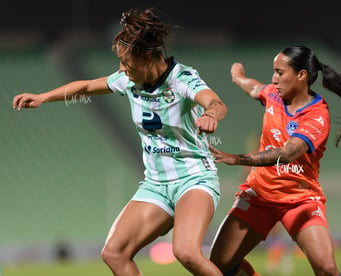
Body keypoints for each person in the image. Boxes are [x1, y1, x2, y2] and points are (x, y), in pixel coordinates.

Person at [13, 8, 227, 276]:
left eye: (126, 63)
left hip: (194, 179)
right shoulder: (129, 81)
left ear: (148, 56)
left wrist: (210, 114)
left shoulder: (181, 78)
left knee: (186, 253)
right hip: (156, 185)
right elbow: (87, 87)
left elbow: (216, 102)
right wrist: (43, 97)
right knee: (114, 253)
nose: (122, 70)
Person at [209, 45, 341, 276]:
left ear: (301, 75)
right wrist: (238, 77)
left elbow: (286, 153)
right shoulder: (272, 95)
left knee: (327, 268)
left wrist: (237, 158)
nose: (274, 78)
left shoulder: (317, 115)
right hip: (259, 195)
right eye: (274, 72)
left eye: (280, 72)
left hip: (299, 199)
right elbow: (254, 87)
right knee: (217, 266)